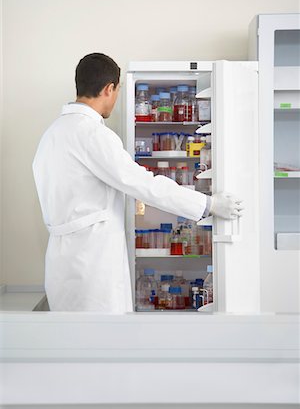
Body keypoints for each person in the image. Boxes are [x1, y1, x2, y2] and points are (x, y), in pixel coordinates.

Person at [32, 53, 243, 313]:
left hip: (62, 262)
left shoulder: (52, 133)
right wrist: (208, 204)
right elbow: (143, 184)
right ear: (110, 88)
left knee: (73, 344)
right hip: (92, 264)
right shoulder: (92, 134)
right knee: (101, 345)